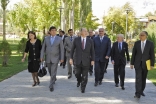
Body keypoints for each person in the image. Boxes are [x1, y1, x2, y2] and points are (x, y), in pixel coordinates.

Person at [70, 28, 95, 93]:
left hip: (86, 61)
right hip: (77, 60)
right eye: (85, 31)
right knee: (77, 73)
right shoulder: (76, 40)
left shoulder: (90, 41)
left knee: (85, 75)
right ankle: (79, 80)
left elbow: (92, 51)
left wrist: (92, 60)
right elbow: (72, 50)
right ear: (81, 32)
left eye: (87, 31)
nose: (86, 32)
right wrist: (71, 58)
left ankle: (83, 87)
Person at [131, 31, 155, 98]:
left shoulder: (150, 43)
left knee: (143, 79)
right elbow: (134, 54)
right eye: (140, 35)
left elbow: (152, 55)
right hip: (137, 64)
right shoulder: (137, 43)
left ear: (146, 36)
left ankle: (141, 90)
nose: (140, 36)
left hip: (146, 64)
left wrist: (152, 64)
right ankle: (137, 93)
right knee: (138, 78)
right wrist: (132, 63)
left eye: (142, 35)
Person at [40, 26, 64, 92]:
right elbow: (43, 48)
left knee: (53, 71)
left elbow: (62, 49)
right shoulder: (46, 38)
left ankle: (51, 85)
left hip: (55, 58)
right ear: (50, 31)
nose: (54, 31)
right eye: (52, 30)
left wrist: (62, 58)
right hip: (48, 58)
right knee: (50, 71)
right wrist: (41, 56)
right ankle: (53, 78)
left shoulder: (59, 39)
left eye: (55, 30)